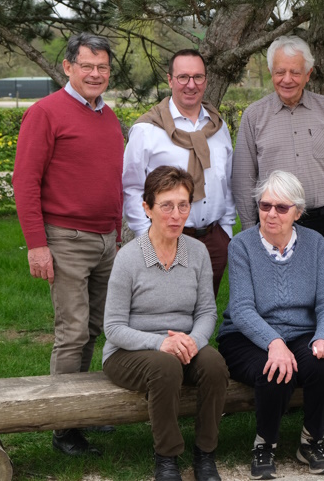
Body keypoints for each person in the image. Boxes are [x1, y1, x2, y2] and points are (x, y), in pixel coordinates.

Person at [12, 32, 124, 456]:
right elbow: (25, 182)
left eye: (103, 68)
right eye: (87, 66)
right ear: (68, 67)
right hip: (65, 238)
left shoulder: (108, 117)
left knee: (96, 326)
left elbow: (111, 181)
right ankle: (63, 426)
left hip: (104, 239)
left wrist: (115, 232)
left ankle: (81, 406)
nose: (96, 74)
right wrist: (36, 245)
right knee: (72, 330)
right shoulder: (45, 113)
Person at [103, 166, 229, 481]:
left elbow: (206, 313)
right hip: (129, 351)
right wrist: (161, 343)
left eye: (183, 205)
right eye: (166, 206)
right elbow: (114, 327)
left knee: (214, 364)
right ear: (147, 208)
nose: (176, 215)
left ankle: (205, 454)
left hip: (182, 345)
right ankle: (167, 458)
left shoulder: (198, 252)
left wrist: (192, 342)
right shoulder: (129, 258)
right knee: (165, 366)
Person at [217, 170, 324, 479]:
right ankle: (265, 444)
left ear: (298, 213)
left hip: (301, 332)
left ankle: (312, 441)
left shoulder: (315, 244)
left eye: (281, 208)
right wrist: (274, 344)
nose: (271, 213)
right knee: (276, 371)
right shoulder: (242, 245)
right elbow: (243, 308)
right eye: (265, 205)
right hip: (245, 336)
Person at [123, 49, 235, 297]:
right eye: (183, 77)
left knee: (205, 312)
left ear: (206, 80)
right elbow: (132, 188)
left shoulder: (218, 126)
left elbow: (226, 182)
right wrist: (147, 237)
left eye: (198, 77)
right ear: (170, 79)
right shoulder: (147, 129)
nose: (191, 85)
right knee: (167, 312)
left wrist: (226, 232)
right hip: (167, 237)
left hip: (214, 239)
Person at [232, 35, 324, 237]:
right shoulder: (254, 116)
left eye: (295, 72)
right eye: (280, 72)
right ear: (272, 73)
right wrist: (248, 228)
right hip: (275, 223)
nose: (287, 79)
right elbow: (243, 178)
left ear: (308, 74)